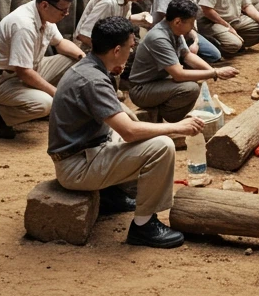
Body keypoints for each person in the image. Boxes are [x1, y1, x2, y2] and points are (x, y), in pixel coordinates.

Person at [49, 16, 204, 249]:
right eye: (130, 47)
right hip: (76, 167)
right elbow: (130, 132)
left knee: (134, 131)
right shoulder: (93, 80)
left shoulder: (90, 67)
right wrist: (178, 127)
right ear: (116, 50)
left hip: (84, 153)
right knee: (162, 147)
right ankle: (144, 226)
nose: (131, 52)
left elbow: (121, 117)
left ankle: (110, 195)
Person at [0, 0, 85, 139]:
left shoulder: (43, 14)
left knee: (77, 62)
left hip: (30, 68)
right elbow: (24, 72)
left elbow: (60, 43)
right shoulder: (24, 25)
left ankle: (36, 100)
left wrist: (84, 59)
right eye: (63, 10)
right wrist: (57, 94)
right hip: (0, 80)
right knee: (45, 103)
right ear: (45, 5)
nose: (66, 14)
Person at [129, 0, 238, 124]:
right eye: (191, 23)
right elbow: (179, 75)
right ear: (178, 21)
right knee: (190, 88)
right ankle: (168, 116)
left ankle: (162, 112)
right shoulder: (159, 38)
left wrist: (213, 72)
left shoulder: (174, 30)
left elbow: (187, 56)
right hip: (141, 89)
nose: (192, 27)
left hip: (157, 81)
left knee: (194, 79)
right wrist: (215, 72)